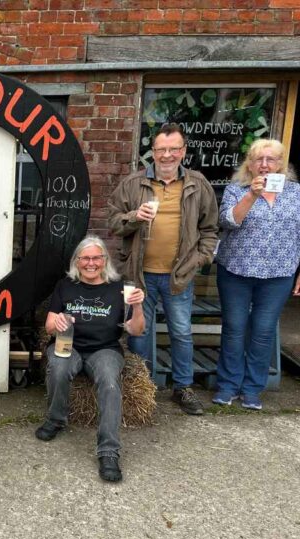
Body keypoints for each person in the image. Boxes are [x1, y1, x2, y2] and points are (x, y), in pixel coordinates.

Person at [107, 122, 218, 416]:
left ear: (182, 152)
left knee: (181, 332)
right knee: (138, 333)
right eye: (161, 149)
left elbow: (209, 228)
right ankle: (140, 389)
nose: (166, 155)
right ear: (152, 152)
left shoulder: (198, 184)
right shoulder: (133, 184)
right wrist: (134, 216)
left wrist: (200, 259)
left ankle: (183, 387)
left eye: (173, 149)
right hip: (140, 274)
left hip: (178, 275)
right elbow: (113, 222)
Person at [35, 235, 145, 483]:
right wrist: (58, 321)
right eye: (85, 258)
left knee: (108, 381)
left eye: (97, 257)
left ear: (105, 260)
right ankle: (56, 419)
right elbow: (50, 324)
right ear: (77, 261)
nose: (91, 263)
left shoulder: (120, 288)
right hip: (68, 344)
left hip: (105, 349)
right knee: (59, 367)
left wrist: (138, 308)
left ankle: (108, 452)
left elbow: (136, 330)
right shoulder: (66, 286)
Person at [213, 139, 300, 410]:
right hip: (236, 271)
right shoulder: (236, 190)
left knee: (263, 331)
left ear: (280, 164)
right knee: (235, 329)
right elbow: (227, 221)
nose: (264, 164)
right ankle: (227, 386)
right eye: (258, 159)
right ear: (249, 164)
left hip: (279, 273)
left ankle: (252, 389)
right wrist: (251, 195)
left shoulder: (295, 192)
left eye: (270, 159)